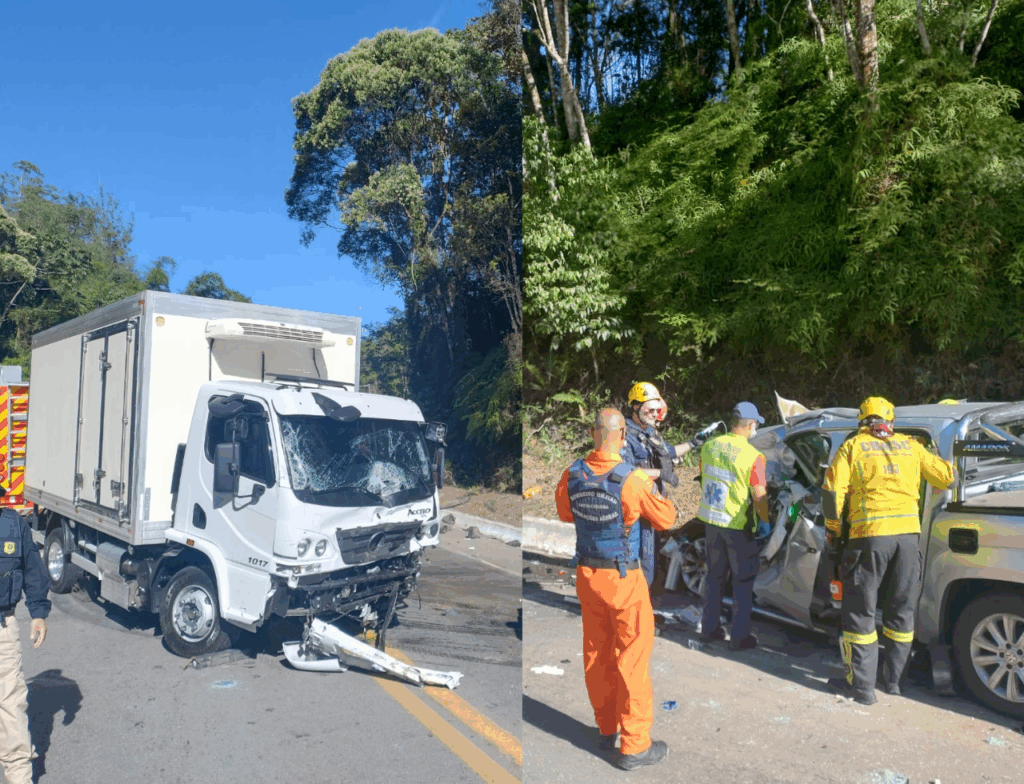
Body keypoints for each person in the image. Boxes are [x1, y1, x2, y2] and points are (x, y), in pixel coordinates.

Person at [556, 407, 677, 771]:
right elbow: (667, 518)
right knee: (632, 658)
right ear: (623, 436)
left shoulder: (572, 474)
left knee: (597, 653)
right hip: (623, 579)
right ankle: (635, 745)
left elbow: (565, 513)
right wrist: (658, 489)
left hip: (587, 576)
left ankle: (607, 728)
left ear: (593, 434)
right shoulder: (632, 480)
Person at [821, 396, 954, 706]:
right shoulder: (911, 446)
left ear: (861, 422)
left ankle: (862, 689)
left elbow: (831, 492)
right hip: (908, 541)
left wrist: (833, 529)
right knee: (901, 612)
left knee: (860, 613)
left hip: (869, 538)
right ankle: (894, 682)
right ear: (891, 422)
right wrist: (935, 451)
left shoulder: (853, 447)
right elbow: (946, 478)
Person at [621, 382, 715, 586]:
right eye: (651, 410)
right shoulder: (626, 435)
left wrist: (694, 442)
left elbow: (670, 452)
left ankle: (645, 603)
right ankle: (636, 606)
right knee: (642, 562)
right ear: (635, 406)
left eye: (658, 410)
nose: (656, 414)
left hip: (653, 505)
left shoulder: (651, 432)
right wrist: (659, 472)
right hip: (637, 509)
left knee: (652, 557)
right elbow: (625, 472)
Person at [697, 401, 768, 651]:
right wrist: (765, 521)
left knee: (715, 577)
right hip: (737, 526)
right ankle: (739, 638)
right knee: (742, 582)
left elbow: (704, 477)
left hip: (711, 522)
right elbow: (759, 495)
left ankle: (709, 629)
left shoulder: (709, 446)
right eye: (755, 425)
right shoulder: (753, 456)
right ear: (750, 425)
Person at [0, 489, 51, 784]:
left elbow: (34, 572)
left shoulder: (14, 526)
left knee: (11, 705)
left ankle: (20, 777)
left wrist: (38, 613)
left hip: (4, 628)